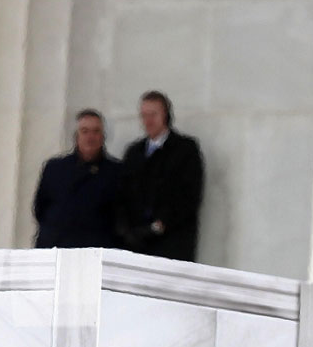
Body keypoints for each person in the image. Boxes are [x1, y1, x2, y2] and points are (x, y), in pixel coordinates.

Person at [117, 90, 205, 261]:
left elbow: (190, 193)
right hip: (137, 243)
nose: (148, 120)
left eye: (153, 114)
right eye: (144, 115)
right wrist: (126, 230)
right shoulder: (134, 152)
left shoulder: (185, 149)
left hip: (172, 243)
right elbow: (122, 194)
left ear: (166, 115)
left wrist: (162, 224)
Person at [33, 109, 122, 249]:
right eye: (85, 131)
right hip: (56, 246)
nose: (90, 137)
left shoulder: (116, 172)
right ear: (76, 136)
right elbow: (40, 208)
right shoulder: (55, 168)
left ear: (103, 136)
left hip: (95, 250)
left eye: (96, 131)